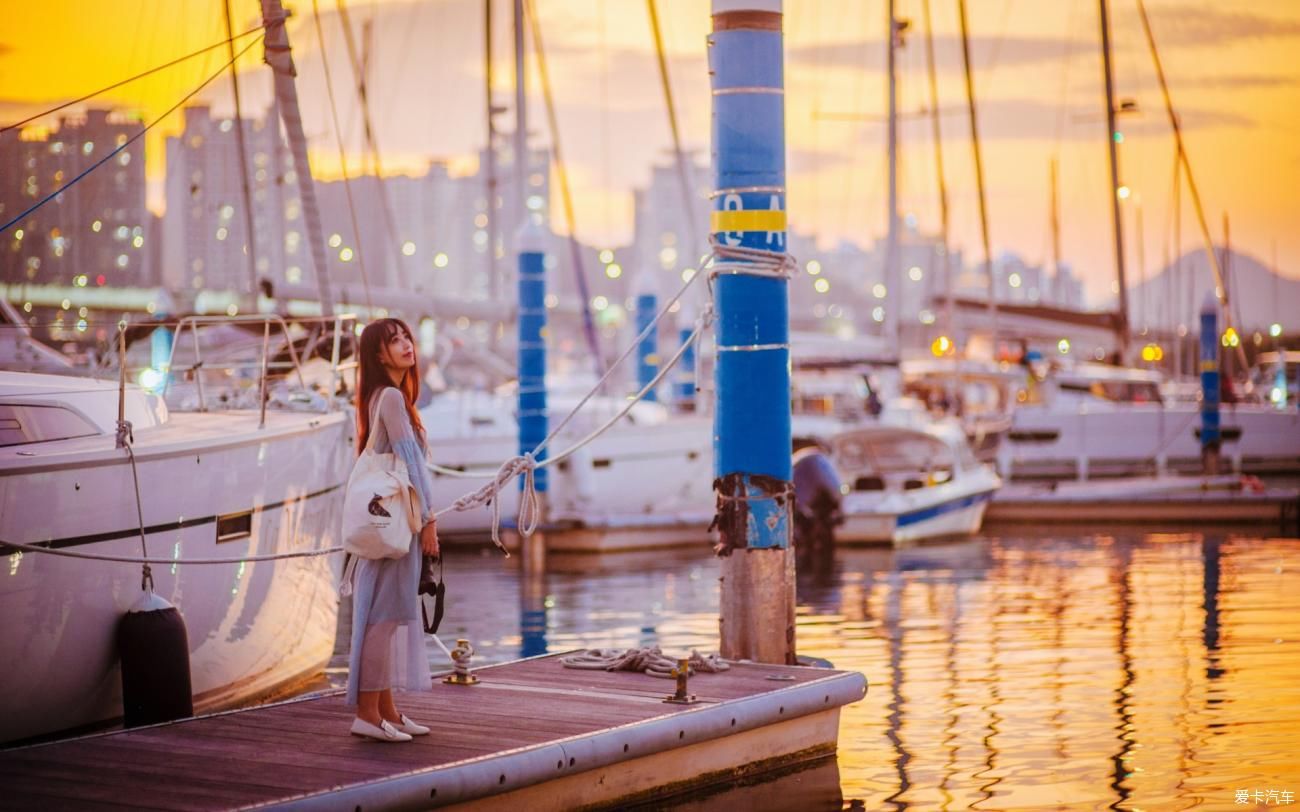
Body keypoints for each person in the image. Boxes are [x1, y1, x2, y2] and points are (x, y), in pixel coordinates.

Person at [346, 318, 440, 742]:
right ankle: (368, 715)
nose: (405, 345)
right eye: (393, 341)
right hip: (398, 527)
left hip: (391, 525)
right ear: (378, 355)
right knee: (381, 622)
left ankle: (388, 712)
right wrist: (429, 522)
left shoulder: (387, 397)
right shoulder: (390, 399)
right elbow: (412, 463)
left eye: (406, 337)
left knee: (383, 617)